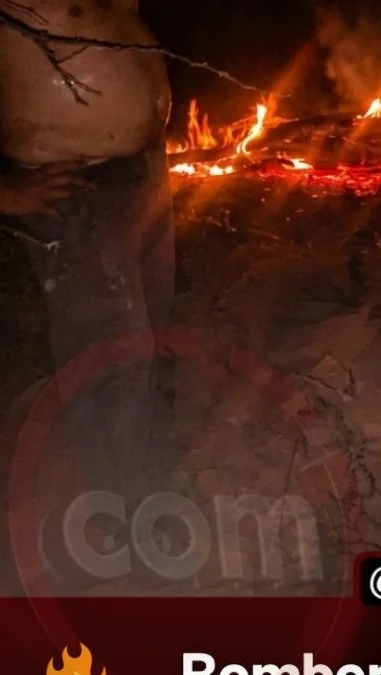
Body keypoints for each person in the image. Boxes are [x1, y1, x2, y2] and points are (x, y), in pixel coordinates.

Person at [0, 0, 181, 592]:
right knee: (111, 360)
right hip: (67, 179)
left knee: (150, 334)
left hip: (136, 171)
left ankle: (145, 485)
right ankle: (131, 534)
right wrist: (3, 191)